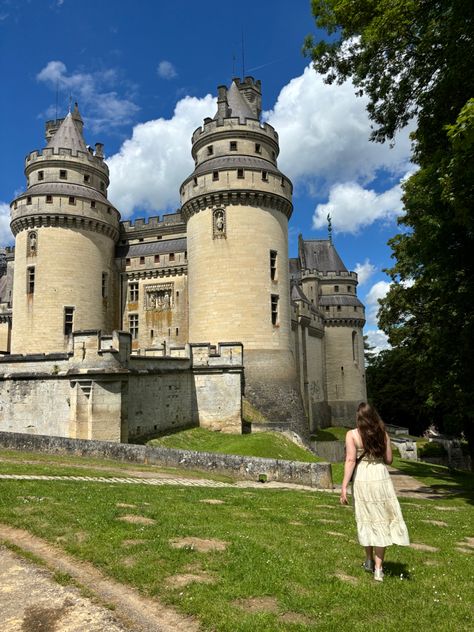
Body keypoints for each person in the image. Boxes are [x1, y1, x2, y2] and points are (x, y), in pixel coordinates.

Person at [340, 402, 410, 582]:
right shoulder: (383, 434)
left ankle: (369, 560)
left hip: (363, 477)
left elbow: (350, 460)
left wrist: (344, 487)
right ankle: (378, 569)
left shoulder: (352, 435)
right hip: (380, 477)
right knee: (382, 520)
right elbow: (389, 460)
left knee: (367, 518)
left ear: (359, 417)